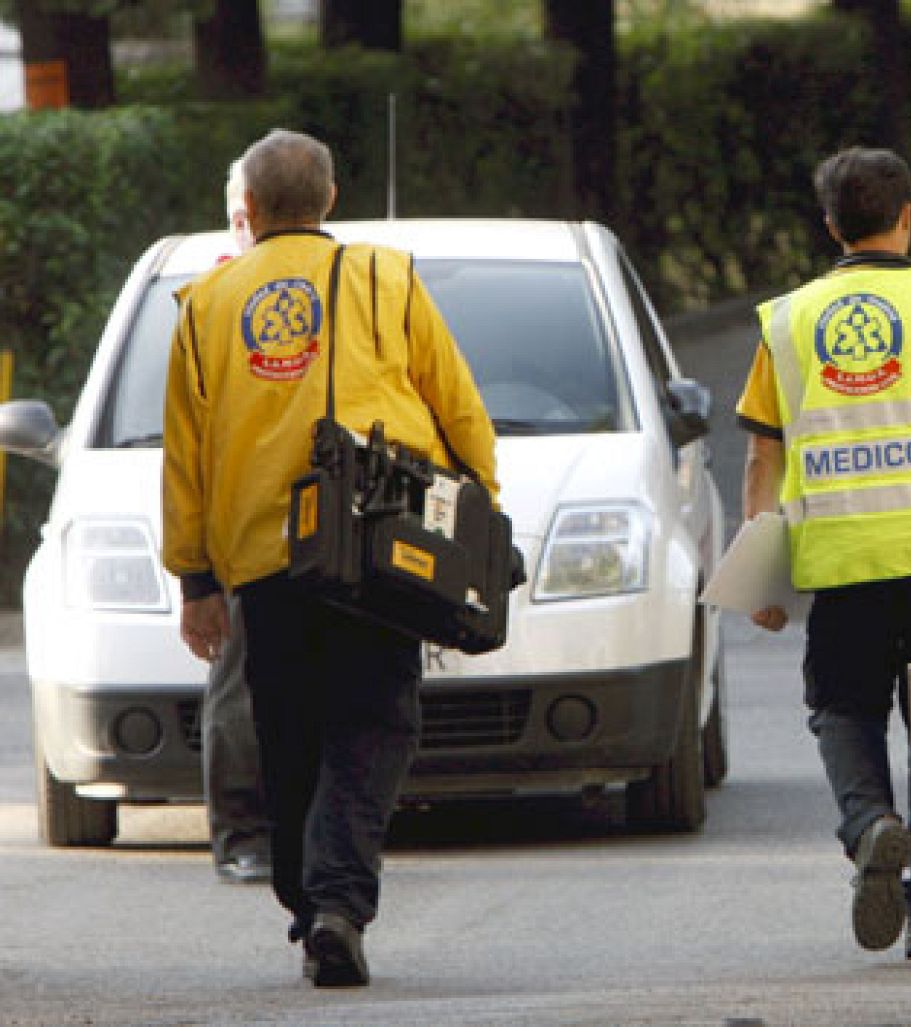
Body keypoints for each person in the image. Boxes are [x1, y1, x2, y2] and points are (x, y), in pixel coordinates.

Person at [162, 129, 500, 987]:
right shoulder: (387, 277)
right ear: (331, 200)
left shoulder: (204, 306)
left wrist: (195, 581)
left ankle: (308, 902)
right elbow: (456, 404)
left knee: (288, 733)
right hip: (374, 546)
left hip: (266, 564)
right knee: (375, 721)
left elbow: (186, 459)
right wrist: (479, 509)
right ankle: (338, 902)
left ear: (247, 212)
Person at [738, 146, 911, 960]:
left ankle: (871, 824)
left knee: (844, 707)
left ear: (830, 224)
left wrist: (762, 572)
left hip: (842, 560)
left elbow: (763, 458)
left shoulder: (786, 321)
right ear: (908, 217)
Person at [201, 158, 272, 885]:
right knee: (240, 685)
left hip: (341, 523)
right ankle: (245, 832)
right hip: (248, 529)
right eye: (234, 210)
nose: (239, 223)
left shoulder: (343, 285)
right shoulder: (213, 297)